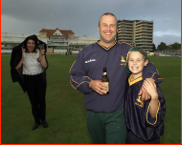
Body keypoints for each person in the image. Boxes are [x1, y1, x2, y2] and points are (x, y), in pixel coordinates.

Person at [69, 12, 162, 144]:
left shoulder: (127, 49)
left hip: (118, 113)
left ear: (117, 29)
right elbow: (74, 75)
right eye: (105, 25)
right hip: (93, 114)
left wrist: (148, 81)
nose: (108, 29)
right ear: (99, 28)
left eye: (112, 25)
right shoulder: (86, 52)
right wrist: (90, 83)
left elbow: (148, 65)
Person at [124, 47, 166, 144]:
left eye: (138, 60)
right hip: (132, 133)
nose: (134, 63)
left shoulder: (149, 85)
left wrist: (154, 97)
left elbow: (154, 116)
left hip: (147, 136)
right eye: (131, 60)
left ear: (145, 62)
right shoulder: (127, 80)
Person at [10, 35, 49, 130]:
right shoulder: (22, 52)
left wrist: (43, 53)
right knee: (33, 101)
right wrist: (22, 56)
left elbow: (45, 65)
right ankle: (36, 121)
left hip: (40, 79)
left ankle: (43, 120)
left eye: (32, 43)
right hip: (29, 79)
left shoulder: (39, 52)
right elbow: (16, 67)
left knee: (41, 101)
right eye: (29, 43)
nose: (31, 45)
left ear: (35, 44)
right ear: (25, 44)